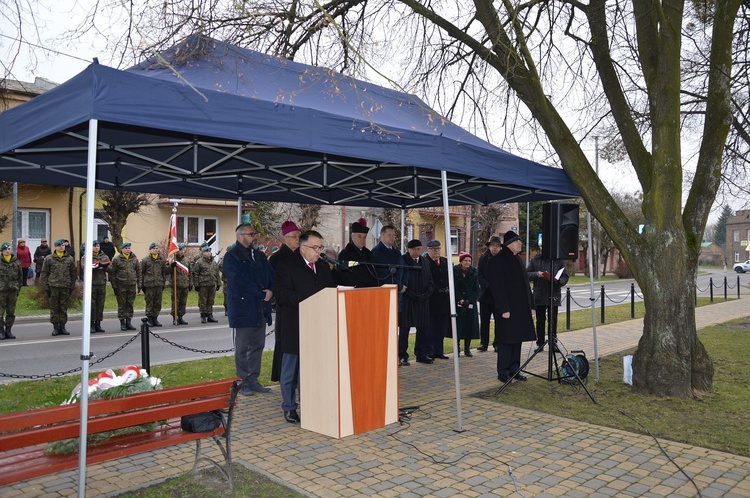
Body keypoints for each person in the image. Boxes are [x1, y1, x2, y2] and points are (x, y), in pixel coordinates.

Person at [273, 230, 336, 423]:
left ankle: (310, 403)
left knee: (311, 369)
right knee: (290, 370)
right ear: (302, 247)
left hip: (318, 327)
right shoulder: (286, 266)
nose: (318, 252)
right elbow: (282, 294)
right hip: (294, 326)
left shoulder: (324, 268)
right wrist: (309, 301)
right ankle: (289, 407)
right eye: (314, 248)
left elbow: (331, 290)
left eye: (320, 248)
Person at [222, 223, 274, 397]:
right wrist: (260, 293)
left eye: (254, 234)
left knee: (258, 346)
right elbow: (238, 281)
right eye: (251, 234)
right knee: (242, 348)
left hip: (260, 308)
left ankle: (253, 379)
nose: (254, 237)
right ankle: (243, 381)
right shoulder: (231, 257)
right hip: (243, 308)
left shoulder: (259, 256)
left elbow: (270, 275)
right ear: (240, 236)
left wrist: (270, 291)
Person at [488, 230, 536, 383]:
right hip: (507, 309)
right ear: (510, 244)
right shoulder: (498, 260)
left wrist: (531, 305)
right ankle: (503, 371)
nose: (520, 244)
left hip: (520, 309)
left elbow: (525, 286)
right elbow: (497, 287)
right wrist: (503, 309)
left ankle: (515, 369)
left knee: (517, 339)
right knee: (506, 341)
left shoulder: (517, 259)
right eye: (518, 242)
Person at [268, 220, 301, 383]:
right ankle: (286, 379)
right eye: (294, 236)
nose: (297, 239)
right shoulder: (277, 259)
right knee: (286, 345)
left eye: (298, 236)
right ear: (285, 238)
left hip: (302, 306)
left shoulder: (301, 255)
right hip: (286, 307)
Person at [527, 249, 570, 353]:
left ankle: (553, 343)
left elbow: (565, 275)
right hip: (539, 294)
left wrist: (559, 281)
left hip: (553, 293)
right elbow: (527, 274)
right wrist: (537, 274)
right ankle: (540, 343)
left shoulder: (558, 260)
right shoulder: (535, 259)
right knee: (540, 320)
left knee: (553, 320)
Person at [399, 239, 434, 365]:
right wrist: (413, 295)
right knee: (404, 330)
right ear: (408, 249)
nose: (416, 251)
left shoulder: (425, 261)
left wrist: (426, 294)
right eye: (413, 249)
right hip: (408, 300)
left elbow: (430, 280)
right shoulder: (402, 260)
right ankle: (402, 355)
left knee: (423, 329)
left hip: (423, 301)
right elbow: (401, 281)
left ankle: (421, 354)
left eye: (418, 249)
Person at [41, 239, 77, 336]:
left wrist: (71, 286)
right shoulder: (49, 259)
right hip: (53, 287)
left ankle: (63, 326)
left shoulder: (69, 259)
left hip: (65, 286)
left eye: (63, 245)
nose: (62, 247)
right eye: (60, 245)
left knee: (63, 307)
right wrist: (46, 287)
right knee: (54, 308)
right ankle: (55, 327)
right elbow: (44, 274)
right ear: (56, 247)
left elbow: (73, 273)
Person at [425, 239, 451, 360]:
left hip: (444, 300)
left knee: (441, 327)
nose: (437, 251)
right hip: (432, 299)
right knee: (431, 328)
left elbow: (449, 277)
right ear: (429, 250)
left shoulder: (445, 261)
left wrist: (447, 288)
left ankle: (439, 350)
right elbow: (427, 279)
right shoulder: (426, 262)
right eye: (434, 249)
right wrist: (437, 289)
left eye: (438, 249)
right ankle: (430, 351)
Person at [452, 252, 480, 357]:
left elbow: (477, 289)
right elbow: (453, 287)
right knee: (458, 326)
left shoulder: (474, 271)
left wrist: (469, 300)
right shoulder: (455, 271)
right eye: (465, 260)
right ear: (461, 261)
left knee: (469, 326)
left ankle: (467, 349)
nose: (467, 262)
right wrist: (460, 299)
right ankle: (457, 348)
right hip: (458, 302)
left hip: (470, 302)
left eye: (469, 260)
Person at [336, 218, 378, 287]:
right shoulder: (345, 254)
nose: (362, 239)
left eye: (364, 237)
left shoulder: (369, 254)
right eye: (359, 236)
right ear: (352, 237)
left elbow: (376, 274)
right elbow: (344, 277)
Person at [477, 235, 502, 352]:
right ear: (489, 247)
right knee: (485, 321)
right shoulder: (483, 258)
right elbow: (480, 275)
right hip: (486, 295)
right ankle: (484, 343)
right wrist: (487, 285)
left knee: (499, 321)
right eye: (493, 246)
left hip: (498, 296)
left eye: (497, 246)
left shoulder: (503, 259)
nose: (495, 248)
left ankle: (497, 343)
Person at [110, 242, 142, 331]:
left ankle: (129, 322)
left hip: (131, 285)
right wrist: (114, 286)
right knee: (122, 305)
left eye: (129, 248)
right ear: (122, 249)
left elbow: (139, 272)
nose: (128, 250)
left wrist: (139, 284)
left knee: (130, 304)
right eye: (126, 248)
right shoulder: (117, 260)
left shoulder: (134, 259)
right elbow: (112, 274)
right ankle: (122, 323)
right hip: (121, 286)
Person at [371, 224, 409, 291]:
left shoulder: (397, 252)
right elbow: (382, 273)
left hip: (399, 291)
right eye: (389, 235)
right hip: (385, 290)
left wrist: (404, 284)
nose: (392, 237)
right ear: (382, 236)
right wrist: (399, 286)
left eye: (393, 235)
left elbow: (404, 268)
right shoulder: (376, 252)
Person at [141, 242, 170, 328]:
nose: (156, 250)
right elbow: (141, 272)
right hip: (149, 285)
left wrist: (171, 266)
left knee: (157, 303)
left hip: (159, 284)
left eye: (157, 248)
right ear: (150, 250)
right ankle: (149, 318)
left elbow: (165, 271)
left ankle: (155, 318)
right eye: (154, 248)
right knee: (150, 302)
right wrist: (142, 284)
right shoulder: (146, 260)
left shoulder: (161, 260)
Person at [193, 243, 221, 323]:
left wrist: (218, 283)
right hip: (203, 284)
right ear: (203, 253)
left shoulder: (213, 262)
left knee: (210, 300)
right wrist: (196, 284)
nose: (208, 253)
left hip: (212, 284)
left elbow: (216, 273)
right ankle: (203, 315)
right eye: (206, 251)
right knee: (203, 301)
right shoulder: (199, 262)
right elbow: (196, 274)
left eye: (209, 251)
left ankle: (210, 315)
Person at [0, 242, 23, 340]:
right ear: (2, 251)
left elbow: (20, 277)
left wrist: (18, 288)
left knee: (11, 312)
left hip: (13, 290)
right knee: (0, 312)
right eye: (6, 249)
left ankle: (8, 330)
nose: (8, 251)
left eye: (9, 249)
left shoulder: (16, 261)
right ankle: (1, 330)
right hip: (1, 290)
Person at [89, 240, 111, 333]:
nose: (96, 247)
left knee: (100, 304)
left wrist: (105, 266)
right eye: (94, 246)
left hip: (101, 283)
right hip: (92, 283)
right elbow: (85, 268)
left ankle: (98, 323)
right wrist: (96, 266)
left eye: (97, 246)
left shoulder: (104, 256)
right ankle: (91, 324)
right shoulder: (87, 256)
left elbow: (110, 269)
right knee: (92, 305)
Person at [168, 244, 191, 325]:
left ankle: (181, 317)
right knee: (175, 302)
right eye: (179, 250)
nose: (181, 252)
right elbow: (166, 271)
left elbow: (189, 272)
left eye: (181, 250)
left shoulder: (186, 260)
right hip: (176, 285)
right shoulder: (172, 260)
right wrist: (171, 266)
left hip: (185, 284)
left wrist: (190, 283)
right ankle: (175, 317)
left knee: (183, 302)